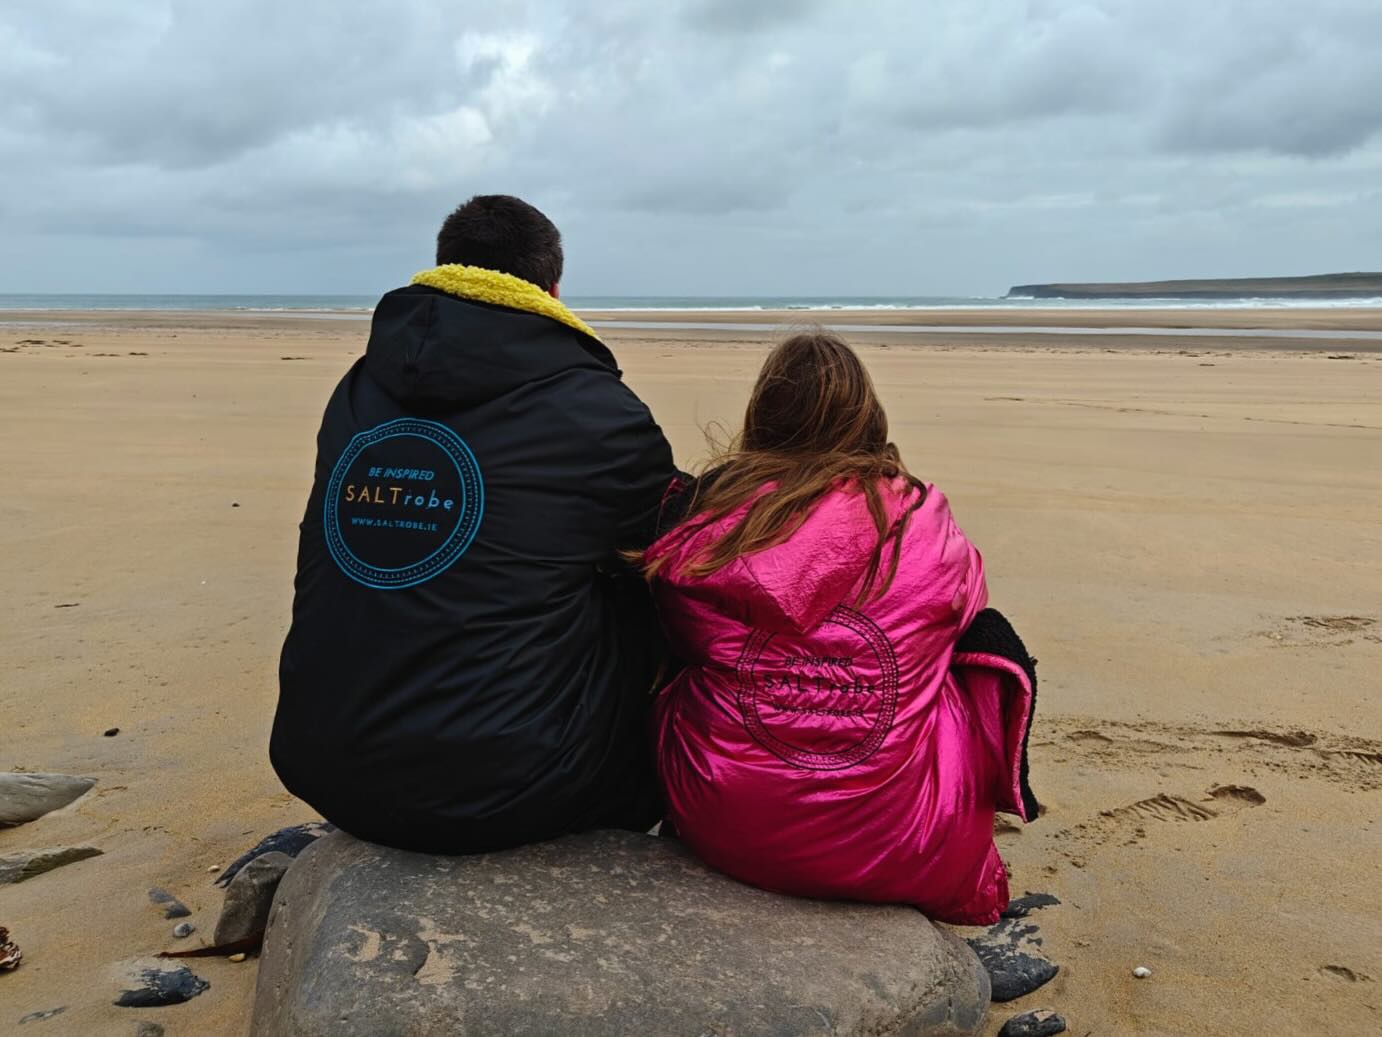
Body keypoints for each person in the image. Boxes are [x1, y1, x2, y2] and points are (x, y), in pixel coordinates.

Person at [272, 194, 677, 854]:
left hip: (324, 763)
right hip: (503, 792)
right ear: (550, 288)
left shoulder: (360, 387)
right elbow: (674, 537)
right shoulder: (594, 411)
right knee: (648, 582)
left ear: (443, 272)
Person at [642, 331, 1038, 925]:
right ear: (868, 416)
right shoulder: (922, 519)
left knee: (679, 660)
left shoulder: (708, 521)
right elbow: (965, 606)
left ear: (764, 416)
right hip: (902, 841)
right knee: (967, 643)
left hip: (727, 821)